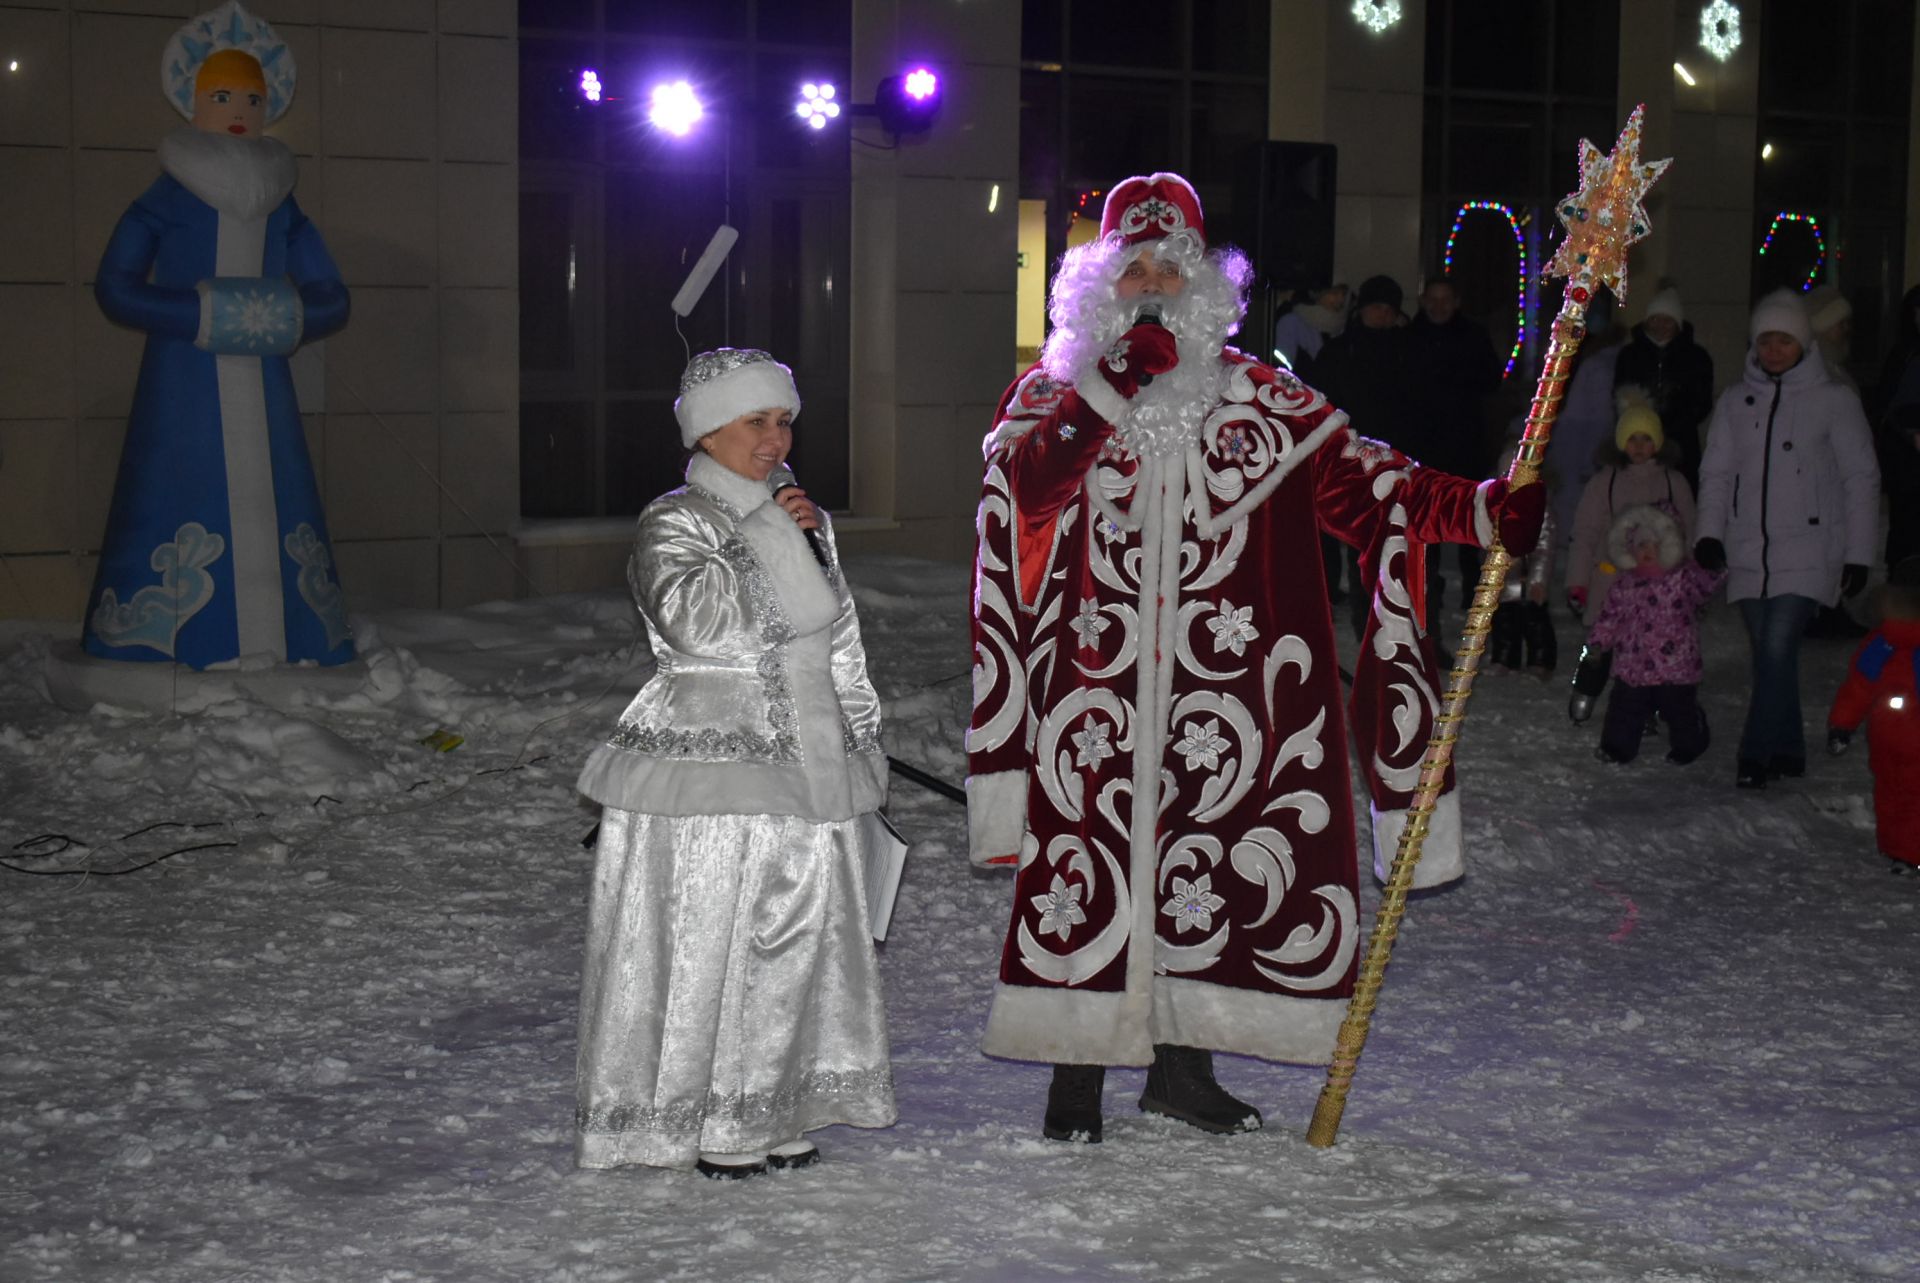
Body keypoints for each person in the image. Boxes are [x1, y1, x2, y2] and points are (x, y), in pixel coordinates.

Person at [965, 173, 1545, 1145]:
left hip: (1220, 690)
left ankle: (1182, 1069)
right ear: (1099, 287)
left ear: (1205, 287)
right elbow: (1023, 486)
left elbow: (1371, 488)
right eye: (1132, 268)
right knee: (1088, 874)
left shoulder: (1258, 397)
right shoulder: (1054, 393)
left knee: (1211, 872)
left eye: (1169, 269)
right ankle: (1076, 1081)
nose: (1150, 284)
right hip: (1094, 690)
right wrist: (1112, 383)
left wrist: (1481, 509)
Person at [573, 348, 896, 1178]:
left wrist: (861, 735)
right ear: (710, 428)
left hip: (809, 758)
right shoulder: (675, 519)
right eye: (758, 421)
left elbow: (839, 635)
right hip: (714, 766)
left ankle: (770, 1101)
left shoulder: (803, 515)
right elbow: (698, 624)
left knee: (799, 938)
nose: (776, 437)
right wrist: (772, 535)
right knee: (718, 939)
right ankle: (708, 1115)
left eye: (784, 420)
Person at [87, 1, 352, 668]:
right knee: (178, 488)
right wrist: (206, 313)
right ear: (194, 101)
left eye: (253, 97)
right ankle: (163, 642)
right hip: (181, 382)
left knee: (277, 490)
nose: (240, 109)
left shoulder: (281, 199)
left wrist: (280, 315)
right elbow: (115, 285)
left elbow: (332, 294)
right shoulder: (168, 195)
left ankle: (293, 637)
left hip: (264, 385)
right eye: (224, 95)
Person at [1694, 291, 1880, 790]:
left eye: (1784, 340)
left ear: (1803, 342)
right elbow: (1716, 473)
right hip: (1749, 547)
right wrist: (1710, 533)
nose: (1774, 350)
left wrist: (1858, 554)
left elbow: (1860, 478)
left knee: (1777, 646)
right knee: (1770, 654)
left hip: (1810, 547)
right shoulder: (1735, 401)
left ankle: (1755, 755)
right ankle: (1789, 748)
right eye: (1766, 341)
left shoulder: (1834, 400)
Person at [1312, 273, 1431, 636]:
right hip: (1348, 458)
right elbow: (1321, 402)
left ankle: (1396, 621)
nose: (1381, 314)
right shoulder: (1338, 350)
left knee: (1394, 541)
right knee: (1348, 539)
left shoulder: (1409, 351)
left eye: (1387, 309)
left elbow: (1420, 405)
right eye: (1375, 307)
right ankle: (1354, 621)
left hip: (1396, 458)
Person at [1583, 503, 1724, 765]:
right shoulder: (1625, 583)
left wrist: (1711, 567)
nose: (1647, 551)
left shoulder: (1683, 578)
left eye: (1655, 544)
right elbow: (1609, 616)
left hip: (1676, 665)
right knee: (1625, 708)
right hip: (1632, 664)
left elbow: (1706, 587)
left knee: (1678, 710)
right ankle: (1617, 747)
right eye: (1641, 545)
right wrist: (1596, 644)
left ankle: (1690, 742)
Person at [1408, 276, 1503, 610]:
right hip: (1423, 445)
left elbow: (1492, 379)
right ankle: (1426, 587)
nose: (1438, 306)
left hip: (1465, 442)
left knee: (1469, 516)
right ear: (1422, 301)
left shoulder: (1473, 336)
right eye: (1432, 298)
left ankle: (1470, 589)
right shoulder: (1410, 337)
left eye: (1445, 299)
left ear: (1457, 301)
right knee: (1427, 518)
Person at [1564, 391, 1696, 627]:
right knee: (1606, 652)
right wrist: (1578, 581)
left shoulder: (1673, 482)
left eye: (1646, 438)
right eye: (1632, 438)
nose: (1639, 446)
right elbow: (1585, 533)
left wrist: (1692, 580)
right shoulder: (1604, 482)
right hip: (1611, 587)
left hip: (1662, 591)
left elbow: (1689, 530)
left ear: (1658, 442)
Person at [1827, 556, 1920, 875]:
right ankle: (1908, 853)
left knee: (1892, 790)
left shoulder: (1881, 642)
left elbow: (1859, 687)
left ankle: (1898, 848)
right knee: (1909, 794)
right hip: (1907, 737)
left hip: (1886, 736)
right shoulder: (1885, 644)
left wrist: (1842, 725)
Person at [1612, 286, 1714, 491]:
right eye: (1655, 319)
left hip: (1680, 442)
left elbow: (1701, 401)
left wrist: (1674, 421)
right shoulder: (1630, 355)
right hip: (1637, 437)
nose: (1660, 326)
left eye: (1667, 320)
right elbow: (1619, 393)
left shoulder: (1696, 357)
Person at [1486, 438, 1558, 679]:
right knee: (1504, 622)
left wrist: (1539, 580)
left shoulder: (1539, 508)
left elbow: (1545, 546)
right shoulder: (1494, 509)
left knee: (1536, 622)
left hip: (1529, 578)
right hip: (1505, 579)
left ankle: (1541, 659)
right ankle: (1505, 658)